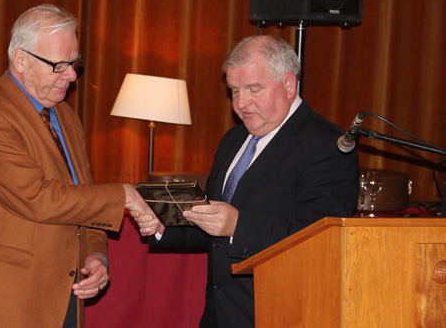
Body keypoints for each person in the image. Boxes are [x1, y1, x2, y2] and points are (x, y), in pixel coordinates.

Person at [133, 35, 359, 327]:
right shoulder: (235, 138)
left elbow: (323, 239)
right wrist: (164, 224)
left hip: (282, 314)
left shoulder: (327, 145)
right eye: (234, 90)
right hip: (220, 314)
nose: (240, 103)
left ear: (289, 84)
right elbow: (215, 225)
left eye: (254, 89)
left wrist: (238, 226)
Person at [0, 4, 152, 328]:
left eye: (75, 63)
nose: (72, 76)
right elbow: (39, 199)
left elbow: (83, 198)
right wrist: (123, 195)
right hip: (5, 302)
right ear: (20, 60)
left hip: (65, 299)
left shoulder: (67, 116)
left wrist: (95, 255)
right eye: (59, 65)